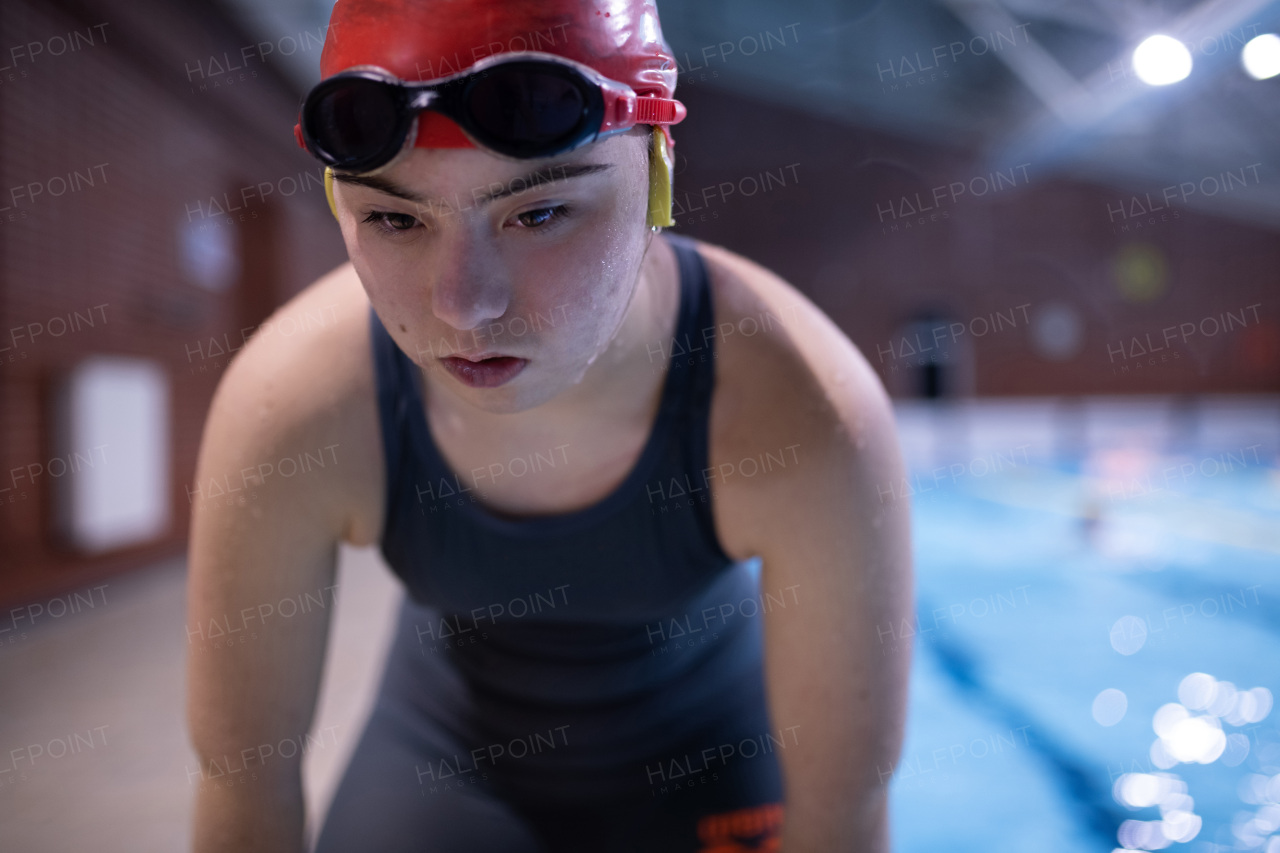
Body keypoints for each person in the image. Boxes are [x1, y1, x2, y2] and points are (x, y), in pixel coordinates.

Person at [184, 1, 913, 851]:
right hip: (442, 759)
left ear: (658, 177)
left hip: (712, 756)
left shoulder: (804, 409)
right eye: (394, 219)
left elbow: (842, 818)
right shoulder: (297, 405)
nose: (465, 306)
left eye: (538, 214)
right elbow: (245, 793)